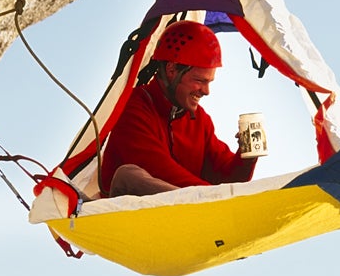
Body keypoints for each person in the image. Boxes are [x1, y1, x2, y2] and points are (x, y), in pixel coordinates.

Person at [101, 20, 257, 197]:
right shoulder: (133, 107)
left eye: (209, 82)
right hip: (126, 215)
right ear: (172, 70)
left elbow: (227, 177)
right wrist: (214, 197)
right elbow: (159, 170)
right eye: (199, 81)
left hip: (187, 214)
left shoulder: (200, 120)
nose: (206, 91)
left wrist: (247, 156)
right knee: (128, 176)